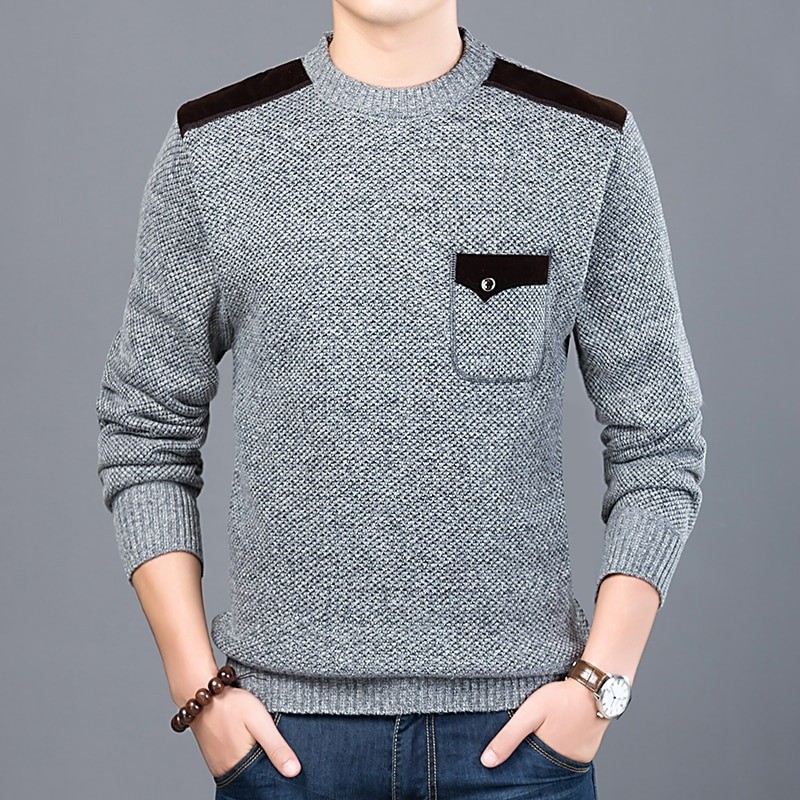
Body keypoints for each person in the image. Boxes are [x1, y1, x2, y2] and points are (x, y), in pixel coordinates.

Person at [94, 2, 707, 798]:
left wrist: (600, 684)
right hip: (285, 742)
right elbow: (143, 432)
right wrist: (196, 690)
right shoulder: (212, 151)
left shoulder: (586, 145)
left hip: (519, 743)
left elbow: (660, 444)